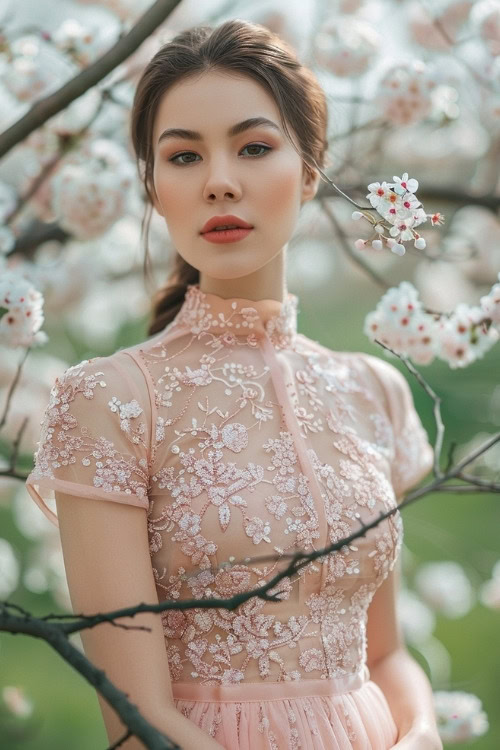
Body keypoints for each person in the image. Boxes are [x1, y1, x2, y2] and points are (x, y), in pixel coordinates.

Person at [25, 18, 443, 750]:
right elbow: (135, 716)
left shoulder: (374, 390)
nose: (219, 180)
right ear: (154, 187)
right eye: (183, 156)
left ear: (309, 170)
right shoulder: (112, 401)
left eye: (253, 147)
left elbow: (386, 655)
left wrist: (425, 731)